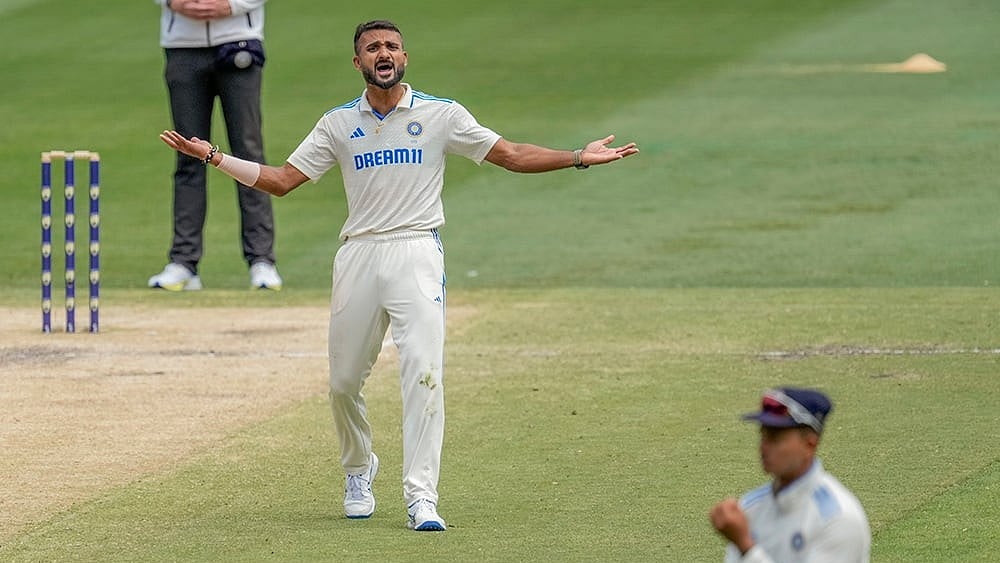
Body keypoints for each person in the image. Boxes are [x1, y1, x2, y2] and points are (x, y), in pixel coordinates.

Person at [159, 19, 638, 531]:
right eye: (372, 48)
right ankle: (359, 468)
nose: (382, 53)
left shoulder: (441, 115)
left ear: (404, 58)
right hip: (359, 254)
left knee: (424, 376)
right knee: (343, 384)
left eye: (391, 46)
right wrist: (212, 154)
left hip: (416, 251)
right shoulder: (338, 124)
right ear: (359, 63)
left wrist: (577, 158)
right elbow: (281, 181)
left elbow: (511, 155)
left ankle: (421, 496)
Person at [150, 0, 283, 291]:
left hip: (238, 39)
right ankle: (184, 263)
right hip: (182, 43)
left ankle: (262, 260)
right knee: (187, 155)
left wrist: (232, 5)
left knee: (248, 153)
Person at [709, 388, 871, 562]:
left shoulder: (839, 518)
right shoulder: (750, 507)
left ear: (810, 443)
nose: (763, 447)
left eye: (775, 438)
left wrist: (746, 547)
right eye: (763, 435)